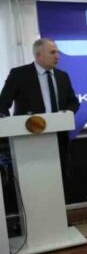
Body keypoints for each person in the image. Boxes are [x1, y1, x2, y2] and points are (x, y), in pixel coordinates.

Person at [0, 39, 80, 175]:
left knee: (60, 176)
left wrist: (67, 112)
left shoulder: (62, 76)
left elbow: (73, 102)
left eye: (58, 52)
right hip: (28, 138)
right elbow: (2, 103)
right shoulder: (19, 74)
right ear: (38, 55)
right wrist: (8, 124)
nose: (57, 56)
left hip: (59, 138)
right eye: (52, 52)